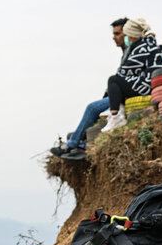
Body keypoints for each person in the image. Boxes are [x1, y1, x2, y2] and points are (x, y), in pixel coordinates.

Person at [50, 18, 128, 161]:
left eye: (117, 33)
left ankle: (73, 144)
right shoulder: (127, 51)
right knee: (97, 110)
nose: (114, 37)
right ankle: (80, 143)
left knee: (92, 108)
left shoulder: (132, 51)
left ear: (127, 33)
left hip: (127, 94)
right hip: (121, 93)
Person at [101, 18, 162, 132]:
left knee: (114, 80)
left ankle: (115, 115)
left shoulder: (141, 48)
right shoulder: (150, 45)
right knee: (122, 82)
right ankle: (119, 111)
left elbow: (124, 71)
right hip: (155, 83)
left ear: (131, 35)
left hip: (148, 86)